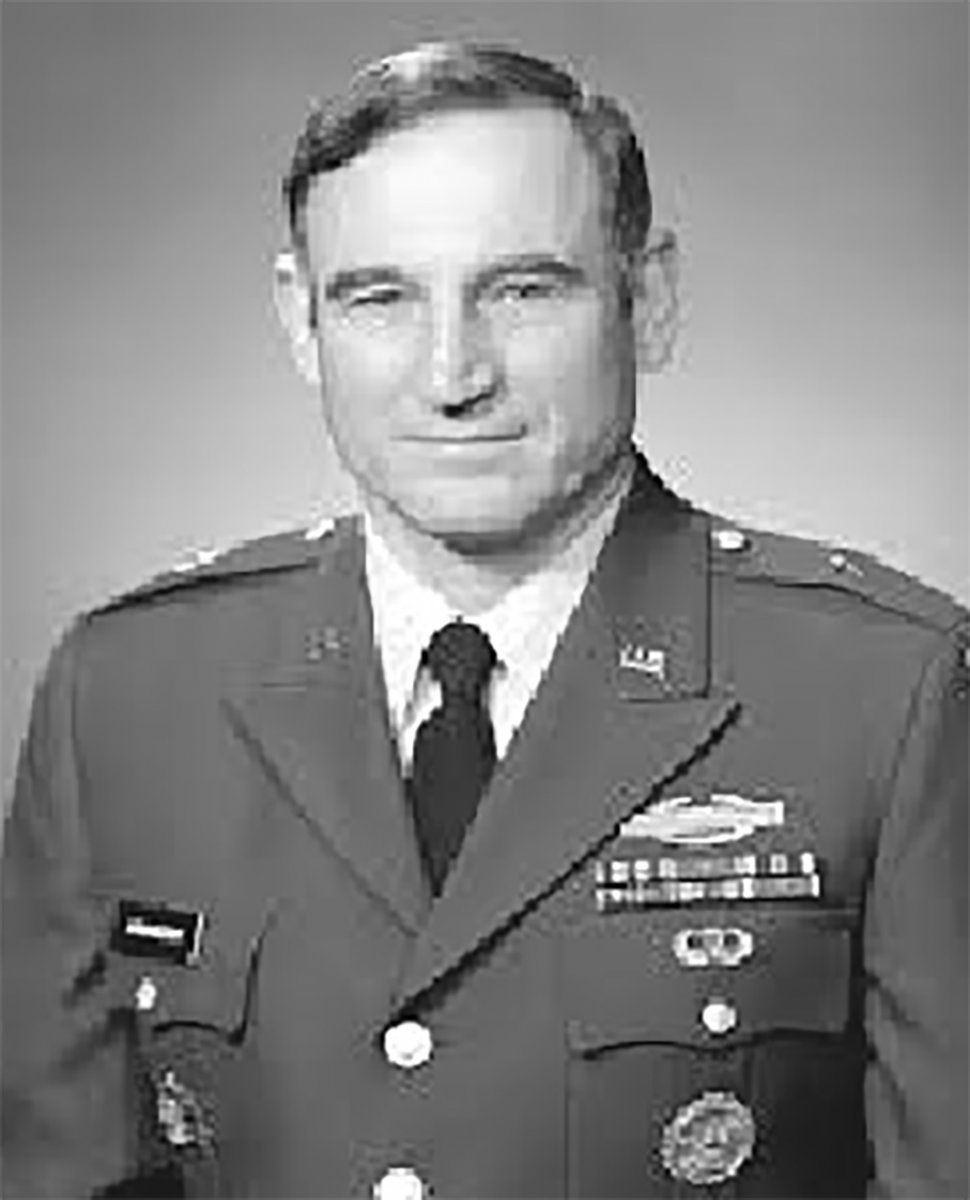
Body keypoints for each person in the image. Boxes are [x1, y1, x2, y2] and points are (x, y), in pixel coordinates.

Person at [2, 40, 966, 1200]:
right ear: (301, 322)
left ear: (647, 299)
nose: (453, 375)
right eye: (380, 298)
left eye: (522, 291)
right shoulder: (125, 694)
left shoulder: (886, 694)